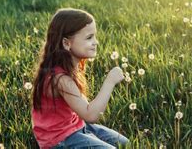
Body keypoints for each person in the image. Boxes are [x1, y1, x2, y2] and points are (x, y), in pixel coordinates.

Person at [31, 8, 129, 148]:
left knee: (124, 144)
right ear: (66, 43)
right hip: (59, 139)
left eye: (94, 36)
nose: (96, 42)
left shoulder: (72, 66)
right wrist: (110, 81)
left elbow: (84, 111)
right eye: (89, 38)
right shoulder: (59, 79)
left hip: (76, 126)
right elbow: (91, 115)